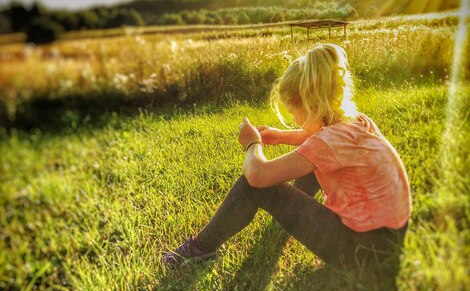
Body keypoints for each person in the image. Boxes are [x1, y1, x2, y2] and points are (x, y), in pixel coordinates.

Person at [162, 43, 411, 268]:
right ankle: (290, 217)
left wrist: (252, 144)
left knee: (256, 187)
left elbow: (258, 175)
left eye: (294, 112)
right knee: (311, 163)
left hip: (361, 253)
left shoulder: (327, 143)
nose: (293, 119)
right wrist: (281, 135)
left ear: (312, 105)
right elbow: (320, 141)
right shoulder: (356, 123)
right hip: (389, 241)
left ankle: (198, 251)